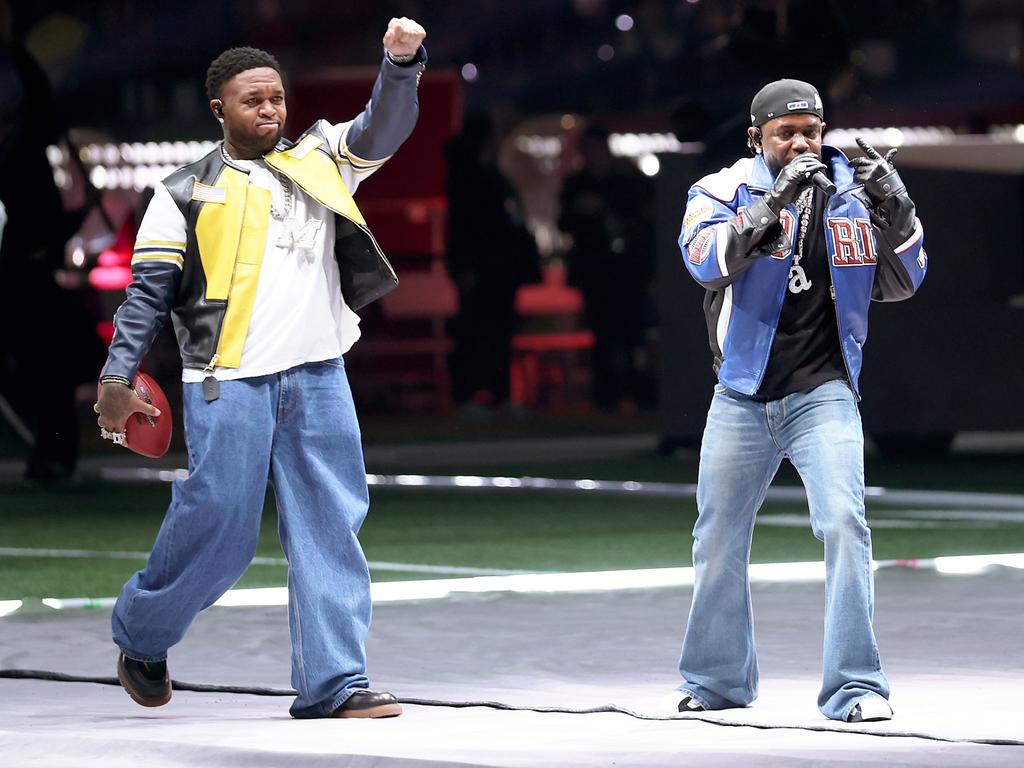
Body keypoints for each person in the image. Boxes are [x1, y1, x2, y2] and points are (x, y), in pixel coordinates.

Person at [93, 17, 427, 719]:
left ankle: (335, 684)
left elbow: (383, 129)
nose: (271, 109)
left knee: (330, 525)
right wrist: (117, 377)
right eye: (254, 100)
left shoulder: (322, 157)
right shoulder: (181, 192)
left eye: (277, 97)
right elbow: (146, 294)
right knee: (220, 531)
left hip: (318, 377)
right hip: (227, 382)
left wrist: (400, 66)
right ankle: (142, 633)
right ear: (220, 109)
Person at [673, 79, 927, 723]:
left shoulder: (851, 194)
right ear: (756, 136)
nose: (802, 143)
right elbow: (706, 263)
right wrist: (773, 204)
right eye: (786, 132)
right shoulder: (722, 191)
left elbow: (902, 282)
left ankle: (856, 687)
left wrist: (896, 211)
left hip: (824, 393)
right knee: (717, 538)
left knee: (845, 524)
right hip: (741, 394)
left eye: (811, 131)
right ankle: (715, 681)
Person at [444, 112, 539, 416]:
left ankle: (488, 394)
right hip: (488, 267)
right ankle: (475, 395)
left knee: (493, 332)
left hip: (495, 268)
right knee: (479, 332)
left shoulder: (479, 176)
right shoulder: (476, 178)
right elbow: (468, 229)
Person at [559, 124, 654, 411]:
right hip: (596, 271)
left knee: (631, 333)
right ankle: (607, 396)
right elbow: (564, 223)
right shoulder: (576, 185)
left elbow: (642, 221)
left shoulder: (626, 183)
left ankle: (639, 393)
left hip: (626, 271)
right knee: (603, 335)